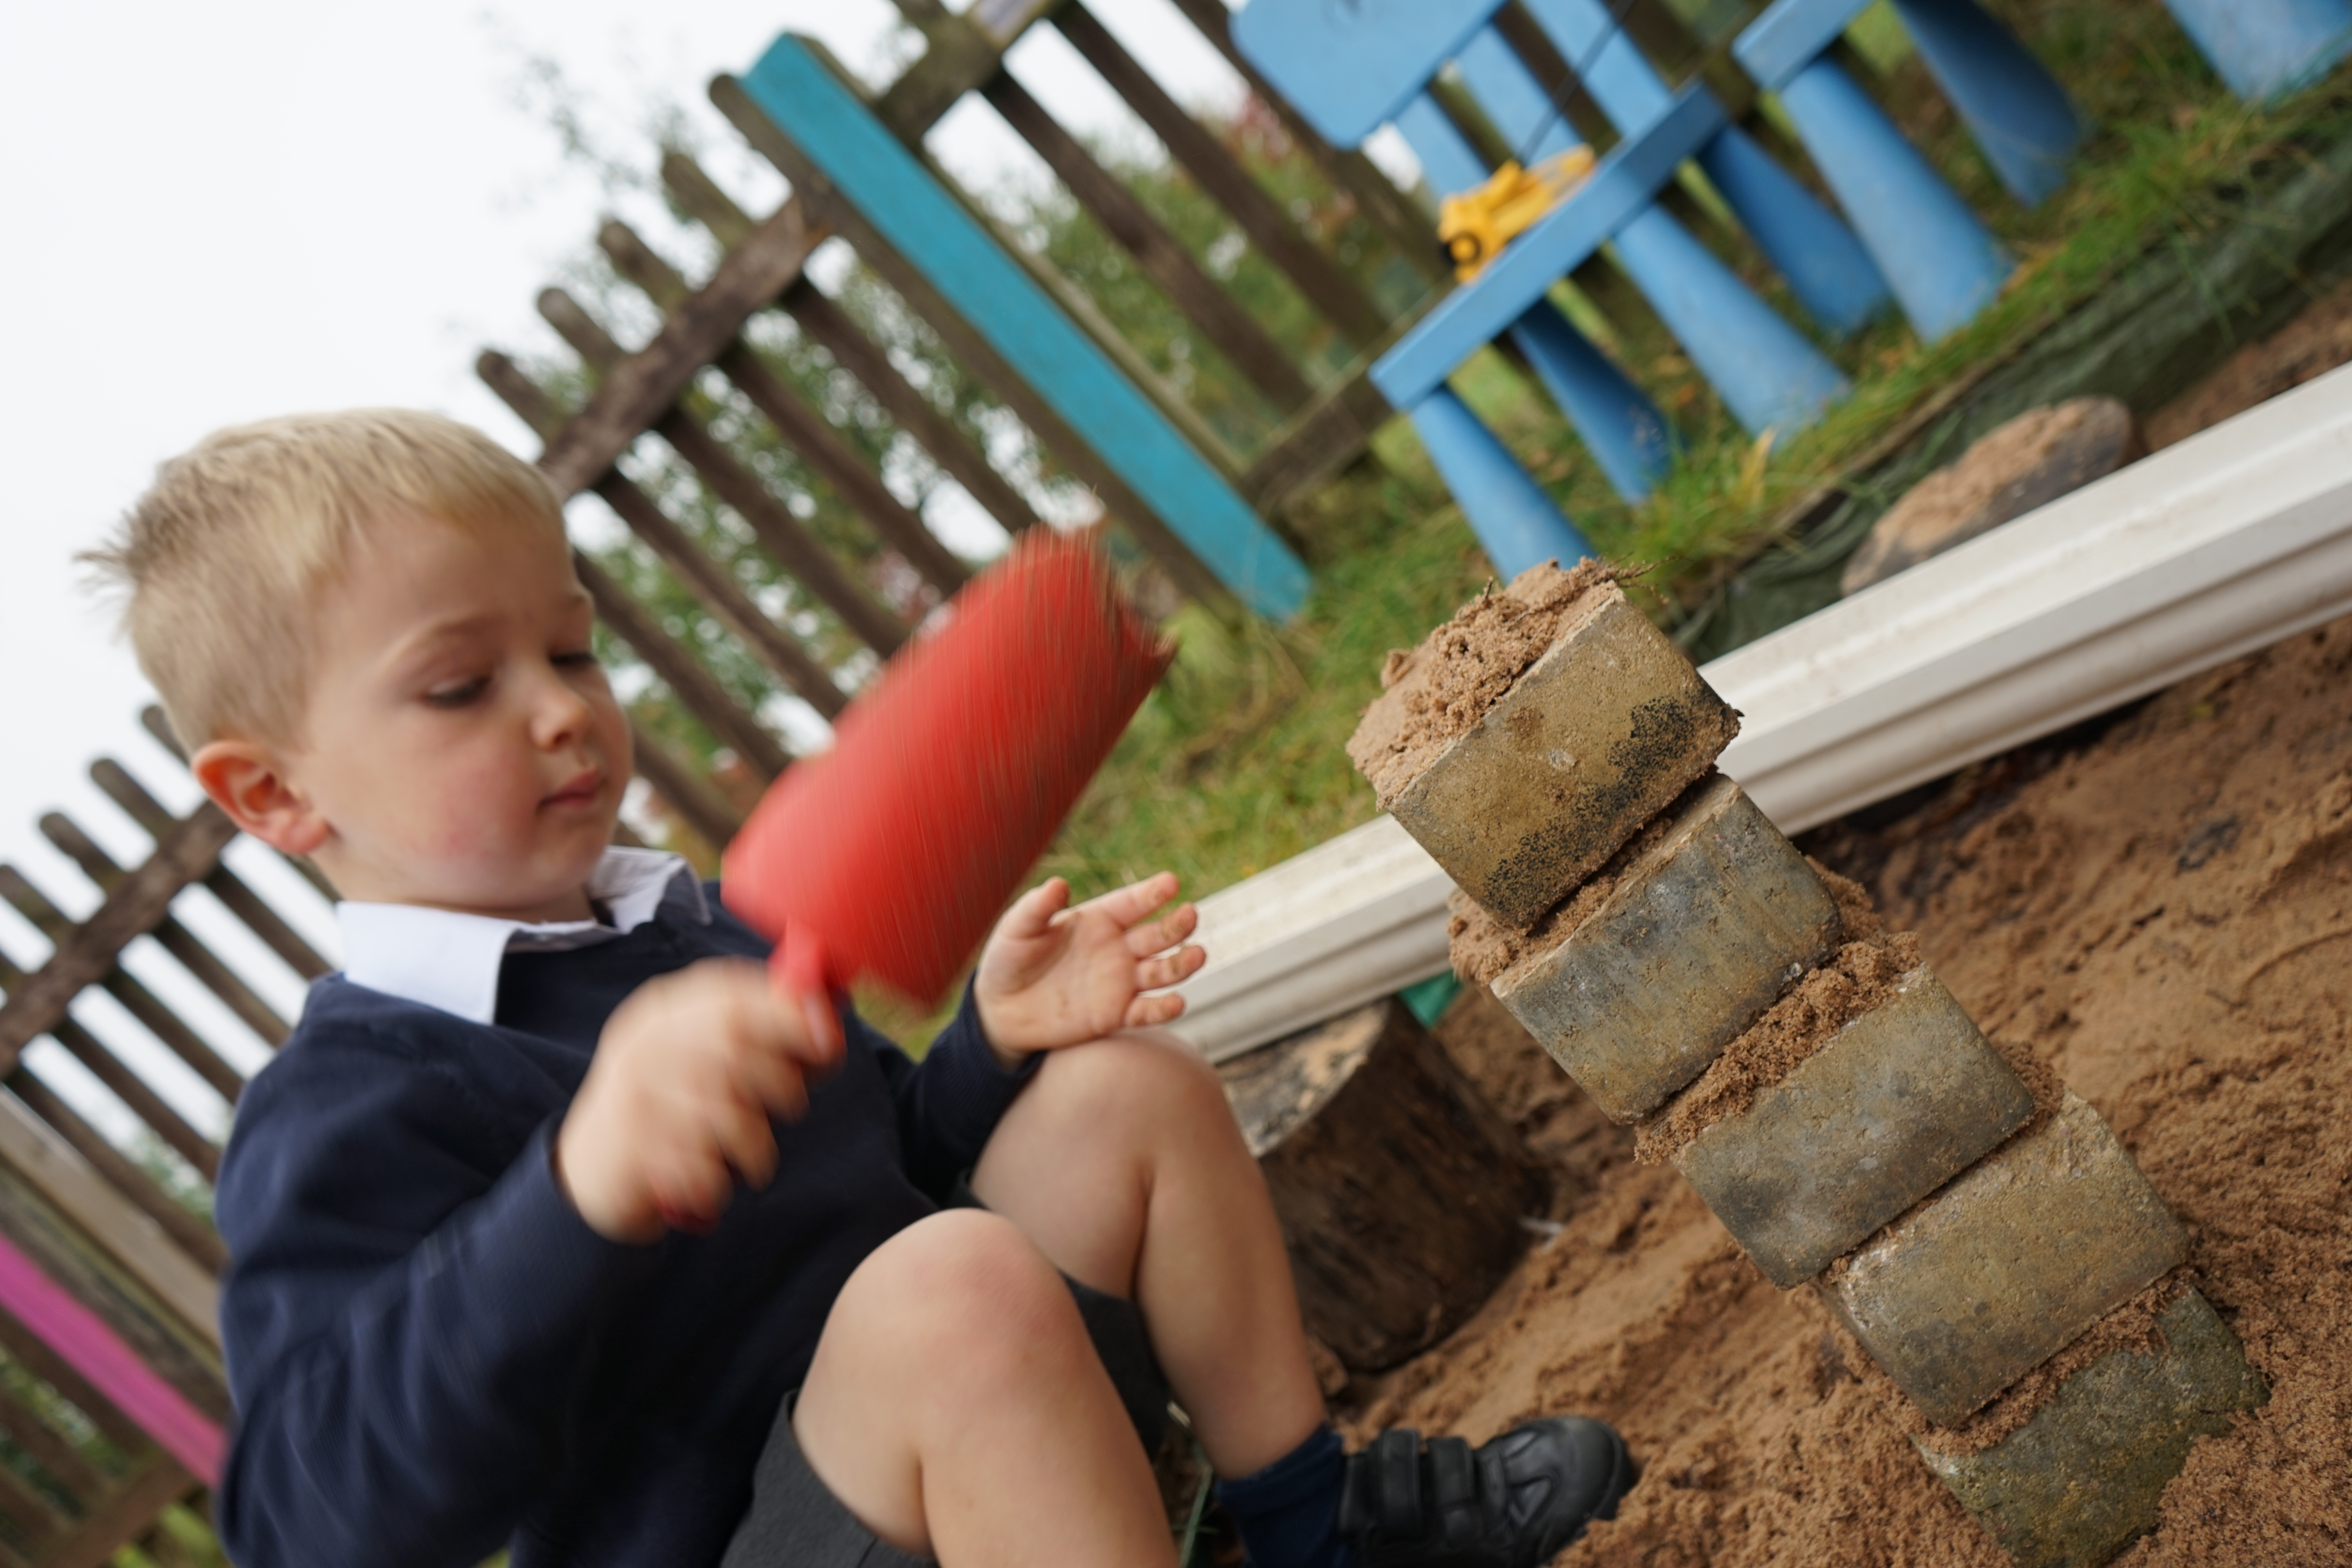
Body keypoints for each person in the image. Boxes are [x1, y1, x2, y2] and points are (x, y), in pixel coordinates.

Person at [88, 410, 1633, 1568]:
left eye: (575, 647)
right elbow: (308, 1512)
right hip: (765, 1535)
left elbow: (892, 1174)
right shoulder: (351, 1103)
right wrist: (578, 1188)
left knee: (1115, 1095)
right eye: (460, 685)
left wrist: (988, 1046)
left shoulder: (691, 928)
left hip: (975, 1441)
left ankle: (1308, 1525)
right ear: (277, 797)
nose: (562, 711)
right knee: (949, 1291)